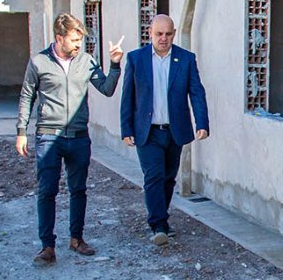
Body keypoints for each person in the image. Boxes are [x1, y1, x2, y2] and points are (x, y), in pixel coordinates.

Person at [16, 13, 124, 266]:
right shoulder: (39, 62)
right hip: (48, 136)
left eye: (81, 41)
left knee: (78, 190)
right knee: (47, 191)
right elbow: (26, 96)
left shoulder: (86, 61)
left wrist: (115, 64)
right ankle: (47, 247)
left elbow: (107, 89)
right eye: (74, 40)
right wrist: (21, 131)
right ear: (59, 38)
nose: (78, 45)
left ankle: (76, 239)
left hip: (78, 137)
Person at [120, 14, 209, 246]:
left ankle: (161, 219)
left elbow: (197, 92)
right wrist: (126, 128)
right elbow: (127, 97)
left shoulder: (186, 59)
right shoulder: (136, 59)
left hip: (174, 130)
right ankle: (158, 224)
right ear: (150, 33)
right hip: (147, 131)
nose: (163, 38)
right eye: (159, 34)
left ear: (174, 33)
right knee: (154, 176)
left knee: (169, 177)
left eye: (168, 34)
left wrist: (202, 123)